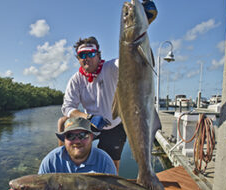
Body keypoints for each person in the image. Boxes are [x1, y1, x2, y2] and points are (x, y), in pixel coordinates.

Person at [58, 1, 158, 173]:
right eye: (82, 55)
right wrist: (88, 117)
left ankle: (117, 188)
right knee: (62, 122)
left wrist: (142, 24)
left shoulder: (113, 67)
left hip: (114, 124)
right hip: (91, 123)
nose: (86, 58)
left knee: (112, 166)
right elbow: (67, 107)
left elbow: (132, 56)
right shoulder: (76, 79)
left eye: (90, 53)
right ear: (77, 58)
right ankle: (62, 166)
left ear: (99, 54)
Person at [11, 117, 128, 190]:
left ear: (91, 137)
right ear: (64, 140)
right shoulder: (51, 160)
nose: (77, 141)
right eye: (70, 136)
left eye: (82, 135)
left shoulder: (104, 160)